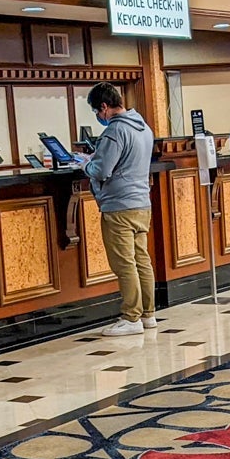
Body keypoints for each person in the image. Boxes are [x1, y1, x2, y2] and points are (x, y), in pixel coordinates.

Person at [83, 83, 157, 336]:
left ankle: (131, 317)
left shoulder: (115, 131)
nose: (98, 115)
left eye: (96, 111)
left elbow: (102, 170)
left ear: (104, 107)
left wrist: (85, 164)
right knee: (142, 260)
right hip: (141, 203)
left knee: (124, 264)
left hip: (119, 206)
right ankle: (148, 314)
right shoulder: (143, 127)